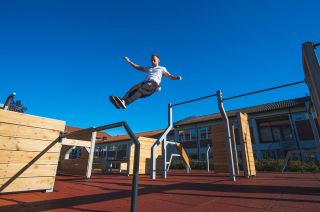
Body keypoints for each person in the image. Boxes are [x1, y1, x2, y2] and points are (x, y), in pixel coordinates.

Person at [110, 54, 182, 109]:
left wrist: (176, 77)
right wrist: (129, 61)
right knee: (132, 90)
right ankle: (120, 102)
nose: (152, 61)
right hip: (145, 82)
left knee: (140, 90)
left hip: (154, 84)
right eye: (151, 60)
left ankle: (126, 102)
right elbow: (137, 67)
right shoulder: (148, 68)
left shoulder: (162, 68)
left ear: (158, 60)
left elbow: (170, 76)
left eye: (154, 60)